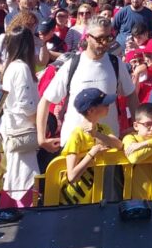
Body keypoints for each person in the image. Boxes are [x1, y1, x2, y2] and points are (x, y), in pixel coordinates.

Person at [37, 17, 137, 152]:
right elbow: (45, 100)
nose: (104, 43)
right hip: (74, 145)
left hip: (108, 145)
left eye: (108, 38)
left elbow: (131, 95)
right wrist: (41, 138)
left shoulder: (116, 63)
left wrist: (137, 124)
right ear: (88, 37)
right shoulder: (72, 64)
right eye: (100, 38)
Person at [57, 88, 125, 205]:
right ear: (91, 110)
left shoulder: (103, 129)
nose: (108, 105)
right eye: (104, 104)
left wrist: (96, 134)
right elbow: (72, 176)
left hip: (97, 198)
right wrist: (92, 153)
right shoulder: (76, 135)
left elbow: (119, 145)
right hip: (75, 199)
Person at [0, 28, 41, 206]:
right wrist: (40, 126)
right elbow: (26, 105)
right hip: (22, 133)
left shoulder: (10, 67)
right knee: (23, 179)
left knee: (16, 176)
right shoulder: (21, 68)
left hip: (14, 129)